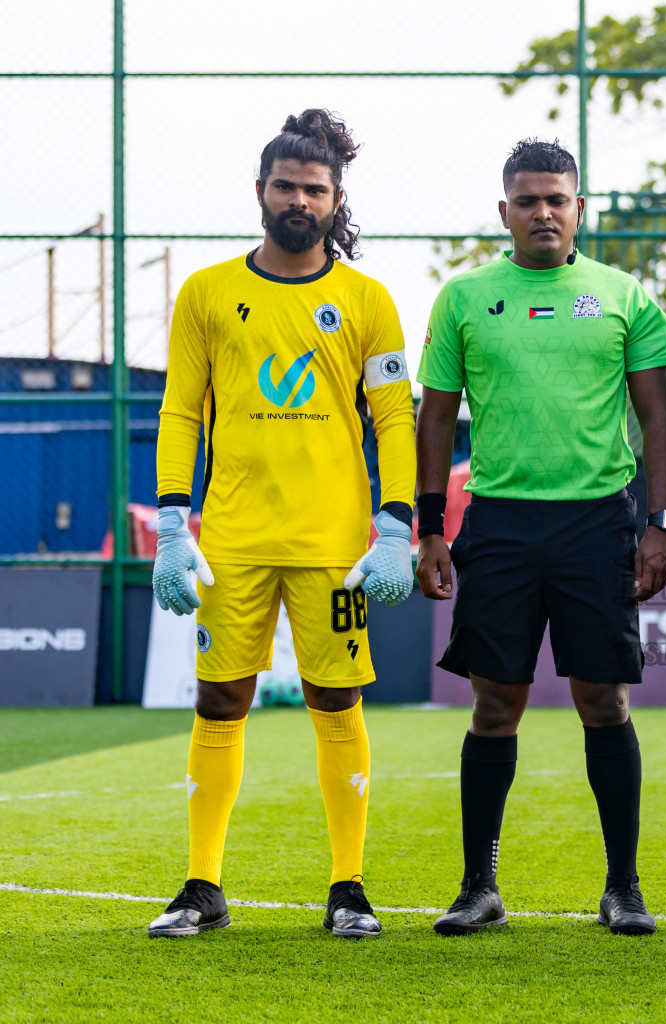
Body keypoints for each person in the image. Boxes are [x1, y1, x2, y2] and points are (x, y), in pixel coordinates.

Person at [148, 110, 416, 939]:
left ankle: (349, 888)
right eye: (285, 185)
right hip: (229, 539)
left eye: (315, 188)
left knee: (336, 699)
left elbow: (394, 421)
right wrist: (169, 524)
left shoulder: (367, 300)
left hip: (334, 544)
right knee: (220, 698)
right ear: (259, 192)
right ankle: (202, 886)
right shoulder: (206, 293)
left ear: (337, 200)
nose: (299, 198)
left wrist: (398, 526)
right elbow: (180, 412)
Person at [415, 139, 666, 937]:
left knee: (604, 699)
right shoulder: (463, 299)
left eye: (556, 200)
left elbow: (658, 418)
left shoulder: (623, 295)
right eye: (527, 201)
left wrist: (659, 525)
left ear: (579, 210)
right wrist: (432, 527)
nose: (543, 213)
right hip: (497, 522)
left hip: (597, 520)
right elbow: (434, 417)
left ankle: (623, 887)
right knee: (495, 705)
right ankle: (478, 886)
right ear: (505, 212)